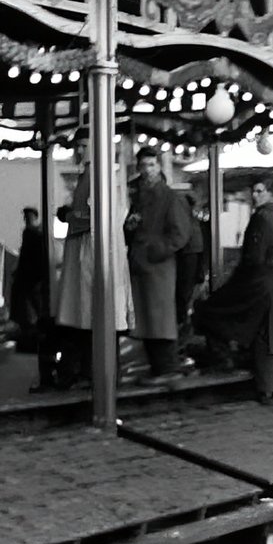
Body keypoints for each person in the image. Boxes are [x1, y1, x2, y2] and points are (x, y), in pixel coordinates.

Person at [193, 177, 273, 403]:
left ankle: (223, 360)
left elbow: (252, 258)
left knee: (210, 312)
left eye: (259, 191)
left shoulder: (261, 218)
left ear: (269, 194)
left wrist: (231, 282)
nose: (255, 195)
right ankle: (266, 387)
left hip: (256, 283)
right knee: (264, 335)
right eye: (253, 191)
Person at [51, 129, 133, 389]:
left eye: (82, 145)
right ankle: (92, 375)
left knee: (92, 317)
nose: (78, 150)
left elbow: (96, 216)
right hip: (92, 255)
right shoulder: (100, 173)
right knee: (91, 320)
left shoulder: (98, 174)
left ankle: (93, 376)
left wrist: (69, 217)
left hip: (94, 257)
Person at [123, 147, 192, 382]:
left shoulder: (170, 197)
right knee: (149, 319)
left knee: (159, 318)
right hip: (144, 265)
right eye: (143, 166)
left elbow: (180, 234)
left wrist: (154, 250)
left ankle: (167, 367)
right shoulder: (139, 197)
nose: (147, 171)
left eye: (151, 165)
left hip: (157, 266)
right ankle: (160, 367)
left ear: (159, 167)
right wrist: (130, 229)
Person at [174, 194, 206, 355]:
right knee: (185, 303)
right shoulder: (194, 225)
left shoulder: (187, 226)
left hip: (187, 267)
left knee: (183, 303)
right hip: (191, 268)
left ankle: (182, 341)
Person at [10, 207, 47, 341]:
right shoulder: (35, 233)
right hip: (31, 276)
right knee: (31, 302)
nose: (26, 219)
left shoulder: (33, 234)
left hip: (31, 276)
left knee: (31, 302)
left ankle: (32, 327)